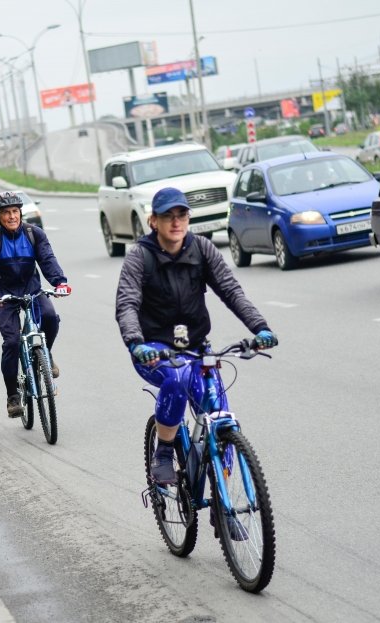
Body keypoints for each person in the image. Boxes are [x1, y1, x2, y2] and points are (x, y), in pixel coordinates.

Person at [114, 187, 278, 485]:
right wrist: (136, 343)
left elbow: (231, 292)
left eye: (181, 215)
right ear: (153, 221)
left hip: (197, 349)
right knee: (175, 380)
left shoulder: (202, 249)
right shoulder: (140, 256)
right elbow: (126, 303)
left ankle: (223, 505)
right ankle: (164, 453)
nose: (176, 222)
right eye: (167, 217)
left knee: (219, 416)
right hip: (153, 350)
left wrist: (260, 328)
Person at [0, 191, 71, 418]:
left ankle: (44, 355)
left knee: (50, 318)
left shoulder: (33, 234)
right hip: (4, 296)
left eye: (15, 212)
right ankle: (12, 396)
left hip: (32, 290)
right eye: (6, 213)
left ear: (20, 213)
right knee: (12, 342)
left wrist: (60, 282)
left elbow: (47, 259)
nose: (11, 217)